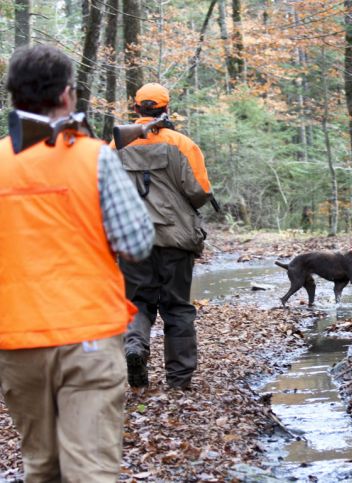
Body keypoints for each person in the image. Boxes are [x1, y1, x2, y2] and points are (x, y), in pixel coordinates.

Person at [0, 45, 155, 481]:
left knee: (41, 466)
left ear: (13, 97)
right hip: (88, 335)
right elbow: (137, 243)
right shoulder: (94, 156)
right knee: (89, 470)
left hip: (17, 341)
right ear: (67, 96)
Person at [114, 83, 213, 390]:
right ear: (166, 110)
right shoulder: (183, 144)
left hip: (131, 240)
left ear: (136, 109)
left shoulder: (115, 146)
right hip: (176, 239)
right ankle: (179, 380)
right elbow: (199, 194)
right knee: (176, 307)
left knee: (137, 302)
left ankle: (134, 346)